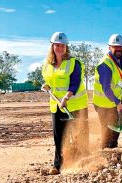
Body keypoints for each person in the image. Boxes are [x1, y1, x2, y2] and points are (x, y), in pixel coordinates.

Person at [42, 32, 89, 174]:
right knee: (59, 136)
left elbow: (75, 83)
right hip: (56, 106)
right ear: (52, 46)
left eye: (63, 45)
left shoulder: (74, 63)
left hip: (76, 104)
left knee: (79, 135)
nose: (60, 48)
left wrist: (67, 97)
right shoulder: (47, 64)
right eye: (57, 45)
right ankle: (58, 165)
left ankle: (84, 161)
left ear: (66, 47)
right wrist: (46, 86)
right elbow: (49, 81)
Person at [93, 34, 122, 148]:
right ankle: (105, 154)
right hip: (103, 103)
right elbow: (106, 88)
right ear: (109, 47)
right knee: (107, 130)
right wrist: (118, 103)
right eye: (115, 46)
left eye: (120, 47)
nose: (118, 49)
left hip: (112, 102)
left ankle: (113, 151)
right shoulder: (105, 64)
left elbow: (116, 79)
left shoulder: (120, 60)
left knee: (115, 130)